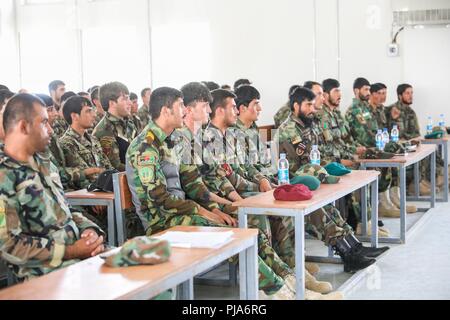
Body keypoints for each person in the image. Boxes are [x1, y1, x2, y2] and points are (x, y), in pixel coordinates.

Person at [126, 86, 300, 299]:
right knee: (230, 236)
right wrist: (205, 212)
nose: (184, 110)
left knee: (247, 228)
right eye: (180, 106)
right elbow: (159, 199)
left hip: (182, 214)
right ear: (165, 111)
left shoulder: (171, 141)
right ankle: (279, 291)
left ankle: (286, 279)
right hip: (161, 221)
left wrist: (219, 208)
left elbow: (193, 183)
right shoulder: (145, 146)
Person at [274, 86, 389, 273]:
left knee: (330, 209)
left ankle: (354, 247)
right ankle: (347, 254)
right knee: (321, 211)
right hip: (296, 181)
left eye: (313, 104)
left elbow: (315, 157)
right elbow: (306, 161)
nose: (313, 109)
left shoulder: (305, 125)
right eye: (308, 105)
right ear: (296, 106)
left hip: (311, 177)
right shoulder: (289, 129)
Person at [0, 93, 105, 281]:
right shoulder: (4, 175)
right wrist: (72, 251)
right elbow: (8, 245)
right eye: (44, 123)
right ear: (23, 126)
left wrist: (89, 231)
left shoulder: (44, 163)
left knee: (144, 277)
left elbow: (64, 208)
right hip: (47, 273)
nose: (51, 129)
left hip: (79, 258)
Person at [60, 95, 113, 190]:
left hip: (105, 191)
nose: (94, 114)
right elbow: (81, 180)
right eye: (88, 111)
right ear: (74, 116)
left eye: (92, 110)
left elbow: (107, 167)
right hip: (87, 197)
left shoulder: (93, 139)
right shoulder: (66, 143)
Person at [93, 82, 137, 171]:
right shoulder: (104, 130)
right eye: (125, 99)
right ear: (112, 103)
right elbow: (115, 167)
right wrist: (140, 170)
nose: (130, 103)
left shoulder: (129, 124)